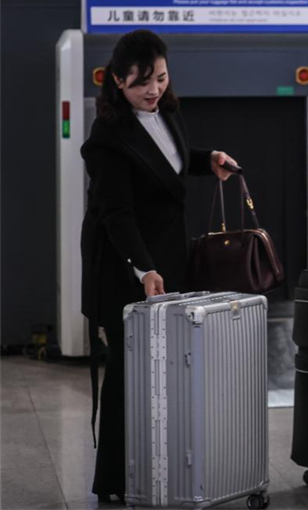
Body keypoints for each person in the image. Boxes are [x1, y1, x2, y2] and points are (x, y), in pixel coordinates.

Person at [80, 29, 238, 503]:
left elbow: (166, 162)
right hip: (127, 264)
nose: (154, 90)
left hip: (166, 258)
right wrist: (143, 269)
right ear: (117, 83)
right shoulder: (106, 138)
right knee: (129, 375)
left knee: (167, 368)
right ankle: (112, 480)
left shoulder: (166, 110)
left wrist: (206, 158)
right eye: (141, 83)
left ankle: (159, 467)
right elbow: (117, 214)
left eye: (161, 78)